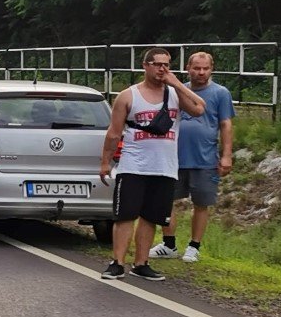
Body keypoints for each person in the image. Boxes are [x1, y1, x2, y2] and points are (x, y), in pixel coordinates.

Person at [99, 47, 205, 280]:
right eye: (157, 64)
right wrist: (105, 162)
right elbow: (114, 132)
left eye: (167, 64)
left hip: (164, 166)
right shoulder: (128, 96)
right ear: (145, 65)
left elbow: (199, 109)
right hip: (133, 165)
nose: (162, 69)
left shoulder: (175, 94)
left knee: (151, 217)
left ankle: (141, 262)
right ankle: (117, 262)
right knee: (125, 215)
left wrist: (177, 84)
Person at [152, 51, 236, 263]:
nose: (201, 72)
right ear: (188, 69)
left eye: (205, 68)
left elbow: (226, 124)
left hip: (205, 157)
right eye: (196, 68)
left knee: (201, 203)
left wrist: (226, 155)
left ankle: (194, 246)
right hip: (174, 156)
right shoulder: (174, 90)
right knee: (165, 200)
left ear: (211, 69)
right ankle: (169, 244)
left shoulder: (220, 93)